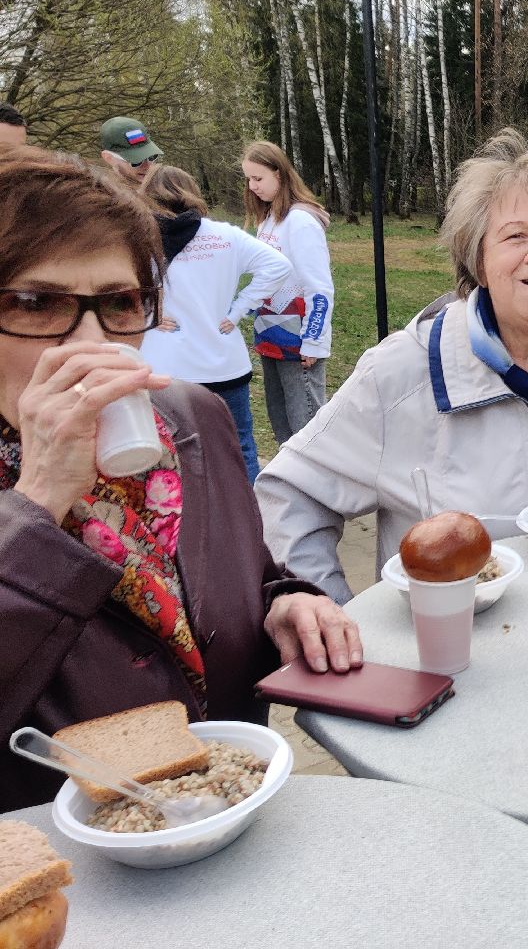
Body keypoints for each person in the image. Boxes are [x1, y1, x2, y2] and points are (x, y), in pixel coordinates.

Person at [0, 146, 361, 813]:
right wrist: (38, 503)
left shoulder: (192, 418)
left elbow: (245, 572)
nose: (89, 342)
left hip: (232, 810)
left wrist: (284, 601)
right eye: (34, 303)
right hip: (69, 882)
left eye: (120, 302)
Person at [255, 129, 528, 603]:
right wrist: (324, 609)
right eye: (516, 236)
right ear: (479, 260)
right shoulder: (400, 376)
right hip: (450, 659)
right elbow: (288, 493)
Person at [140, 166, 293, 484]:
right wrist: (239, 308)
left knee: (172, 455)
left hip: (167, 368)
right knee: (240, 449)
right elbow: (278, 265)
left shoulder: (138, 239)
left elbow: (114, 289)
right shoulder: (225, 236)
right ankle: (253, 526)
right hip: (224, 365)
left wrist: (148, 313)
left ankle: (187, 528)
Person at [241, 140, 335, 446]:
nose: (252, 186)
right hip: (271, 338)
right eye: (248, 179)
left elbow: (318, 287)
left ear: (280, 174)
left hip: (299, 343)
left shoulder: (300, 221)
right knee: (282, 425)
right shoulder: (268, 219)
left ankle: (319, 491)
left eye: (258, 178)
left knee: (306, 429)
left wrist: (314, 342)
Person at [98, 115, 162, 184]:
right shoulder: (96, 193)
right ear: (109, 158)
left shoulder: (166, 188)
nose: (148, 166)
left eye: (151, 156)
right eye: (137, 161)